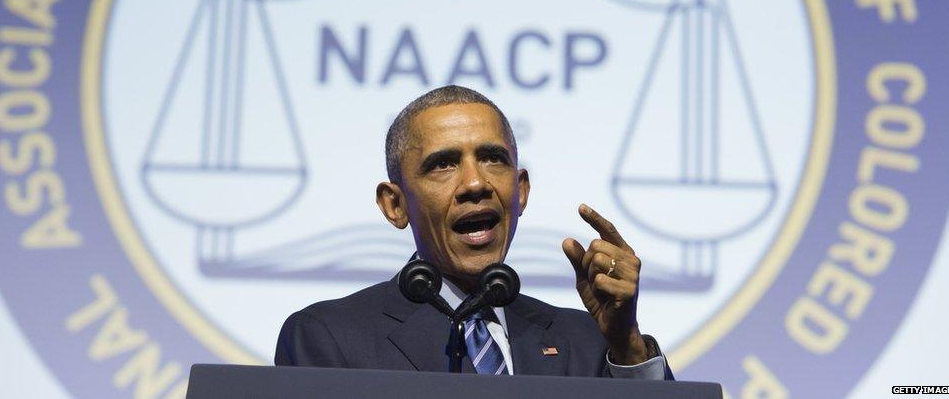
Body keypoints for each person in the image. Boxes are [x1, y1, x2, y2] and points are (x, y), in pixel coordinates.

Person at [275, 86, 673, 379]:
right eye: (443, 164)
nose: (475, 183)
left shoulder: (589, 343)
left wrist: (628, 347)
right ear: (395, 205)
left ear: (520, 192)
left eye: (491, 158)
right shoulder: (329, 337)